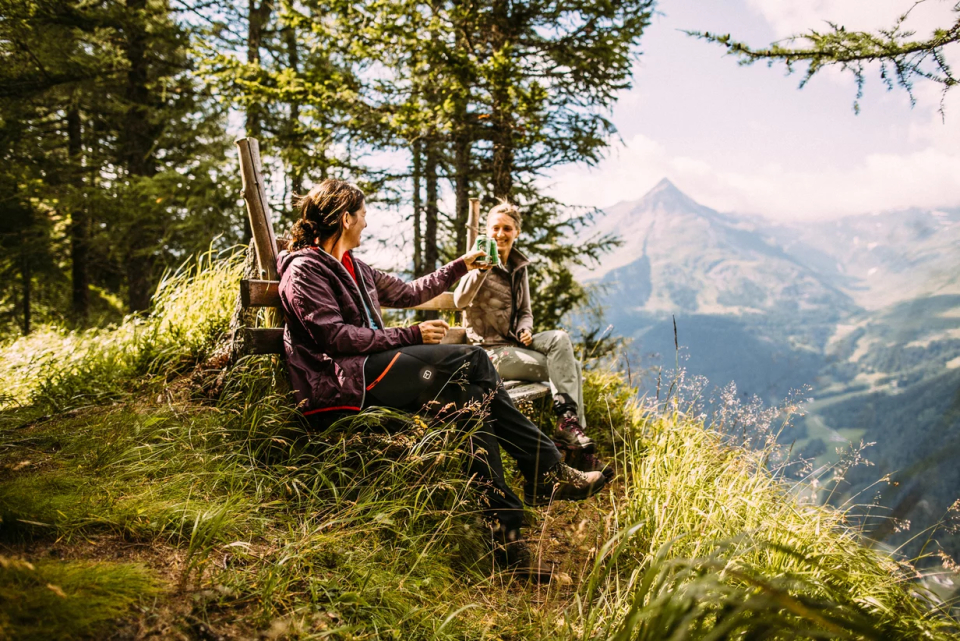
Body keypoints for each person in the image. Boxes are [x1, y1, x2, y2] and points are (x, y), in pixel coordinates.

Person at [275, 179, 607, 578]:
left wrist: (461, 266)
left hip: (371, 369)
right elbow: (334, 337)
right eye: (362, 216)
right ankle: (547, 470)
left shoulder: (355, 267)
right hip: (344, 382)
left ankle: (508, 545)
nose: (366, 223)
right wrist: (408, 335)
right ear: (345, 218)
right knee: (476, 362)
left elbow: (411, 292)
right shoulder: (305, 269)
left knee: (471, 404)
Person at [453, 200, 612, 479]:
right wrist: (479, 270)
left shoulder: (518, 266)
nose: (500, 234)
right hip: (489, 353)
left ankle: (569, 426)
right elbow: (459, 299)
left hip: (515, 344)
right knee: (571, 367)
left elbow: (525, 312)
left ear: (517, 233)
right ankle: (579, 449)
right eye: (495, 228)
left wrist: (526, 328)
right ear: (486, 231)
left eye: (507, 228)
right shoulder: (476, 260)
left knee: (560, 339)